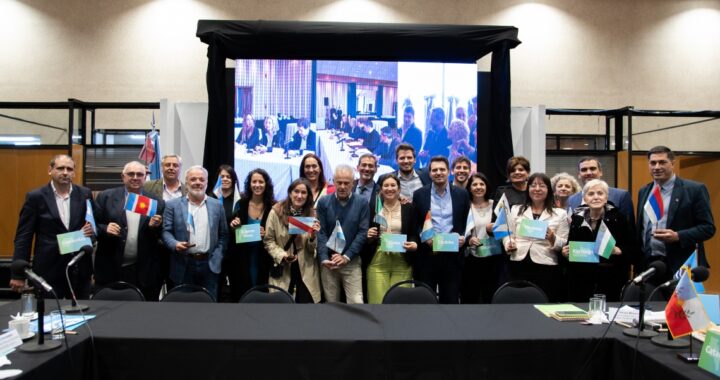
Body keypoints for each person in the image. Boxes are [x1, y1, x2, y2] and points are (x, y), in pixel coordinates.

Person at [11, 155, 95, 299]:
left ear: (74, 173)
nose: (65, 172)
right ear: (50, 170)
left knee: (82, 314)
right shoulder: (36, 197)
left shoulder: (85, 194)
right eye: (60, 168)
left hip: (79, 268)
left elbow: (92, 229)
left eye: (69, 169)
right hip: (48, 268)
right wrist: (18, 274)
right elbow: (23, 237)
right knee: (48, 316)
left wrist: (91, 232)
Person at [636, 146, 715, 285]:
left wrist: (678, 236)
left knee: (678, 307)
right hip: (650, 266)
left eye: (662, 162)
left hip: (681, 265)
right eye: (653, 163)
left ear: (672, 163)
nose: (657, 167)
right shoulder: (644, 191)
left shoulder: (694, 190)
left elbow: (708, 228)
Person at [95, 161, 165, 301]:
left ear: (145, 178)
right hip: (111, 267)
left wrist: (154, 227)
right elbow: (93, 226)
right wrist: (105, 229)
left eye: (140, 174)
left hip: (143, 270)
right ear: (123, 177)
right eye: (131, 174)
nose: (135, 177)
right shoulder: (106, 197)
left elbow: (161, 235)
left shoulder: (156, 202)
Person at [562, 179, 636, 302]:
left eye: (600, 193)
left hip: (611, 279)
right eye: (591, 194)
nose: (596, 197)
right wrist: (566, 253)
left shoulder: (619, 218)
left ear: (606, 197)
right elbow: (572, 248)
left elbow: (633, 249)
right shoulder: (576, 219)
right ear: (584, 198)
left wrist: (619, 251)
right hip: (582, 280)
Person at [162, 165, 228, 298]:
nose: (198, 182)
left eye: (201, 179)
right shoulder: (172, 205)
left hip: (210, 265)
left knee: (209, 307)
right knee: (182, 308)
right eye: (193, 179)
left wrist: (218, 256)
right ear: (186, 183)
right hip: (183, 264)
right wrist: (174, 244)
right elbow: (166, 231)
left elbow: (223, 235)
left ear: (207, 182)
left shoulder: (217, 206)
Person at [412, 156, 470, 304]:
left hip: (452, 257)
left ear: (449, 172)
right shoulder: (419, 194)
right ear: (430, 173)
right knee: (426, 300)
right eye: (435, 170)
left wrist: (464, 236)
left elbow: (466, 222)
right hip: (427, 255)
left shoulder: (462, 194)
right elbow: (416, 223)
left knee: (450, 300)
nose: (438, 173)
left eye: (442, 169)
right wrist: (425, 236)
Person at [502, 173, 569, 301]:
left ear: (548, 190)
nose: (537, 189)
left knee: (543, 302)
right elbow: (508, 233)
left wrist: (552, 237)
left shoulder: (560, 214)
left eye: (542, 186)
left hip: (545, 264)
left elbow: (564, 243)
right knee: (516, 302)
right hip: (518, 262)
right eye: (533, 185)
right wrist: (508, 243)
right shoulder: (516, 209)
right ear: (528, 189)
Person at [316, 164, 370, 304]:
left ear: (353, 183)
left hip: (351, 262)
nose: (342, 186)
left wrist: (346, 256)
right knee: (332, 305)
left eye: (346, 183)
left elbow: (362, 232)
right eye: (339, 182)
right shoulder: (323, 202)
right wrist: (323, 258)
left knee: (357, 303)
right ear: (333, 181)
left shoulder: (362, 203)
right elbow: (320, 232)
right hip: (328, 262)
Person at [263, 178, 322, 303]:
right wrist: (282, 255)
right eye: (296, 191)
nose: (299, 196)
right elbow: (268, 241)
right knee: (282, 309)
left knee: (305, 311)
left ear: (308, 196)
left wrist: (312, 236)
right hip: (284, 267)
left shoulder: (312, 214)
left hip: (305, 270)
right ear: (290, 193)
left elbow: (312, 249)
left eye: (303, 192)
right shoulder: (276, 212)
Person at [364, 174, 418, 303]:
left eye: (393, 185)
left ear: (399, 189)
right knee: (377, 303)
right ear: (381, 189)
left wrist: (414, 244)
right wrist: (368, 235)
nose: (390, 188)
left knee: (400, 303)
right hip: (378, 260)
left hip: (402, 261)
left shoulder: (408, 208)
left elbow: (414, 233)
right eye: (386, 185)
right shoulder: (373, 207)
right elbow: (364, 231)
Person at [228, 169, 275, 301]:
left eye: (261, 181)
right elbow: (232, 232)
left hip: (264, 259)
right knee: (242, 295)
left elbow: (277, 234)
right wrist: (233, 226)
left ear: (266, 184)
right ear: (249, 184)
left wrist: (267, 234)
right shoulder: (240, 204)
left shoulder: (273, 207)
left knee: (262, 297)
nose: (257, 185)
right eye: (254, 181)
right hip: (242, 259)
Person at [143, 154, 186, 292]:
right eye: (168, 165)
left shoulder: (188, 191)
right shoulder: (148, 187)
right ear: (162, 167)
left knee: (176, 290)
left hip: (177, 248)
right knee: (152, 289)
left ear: (180, 168)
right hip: (153, 247)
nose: (171, 168)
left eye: (175, 165)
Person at [461, 173, 502, 304]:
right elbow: (460, 228)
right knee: (470, 296)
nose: (478, 187)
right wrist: (469, 240)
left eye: (481, 184)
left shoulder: (496, 205)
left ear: (487, 186)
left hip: (493, 257)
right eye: (474, 184)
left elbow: (504, 228)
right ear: (469, 187)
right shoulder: (465, 206)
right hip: (471, 258)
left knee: (490, 296)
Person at [567, 156, 635, 225]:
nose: (588, 172)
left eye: (592, 169)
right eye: (584, 170)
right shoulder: (572, 200)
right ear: (579, 175)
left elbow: (629, 229)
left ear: (600, 172)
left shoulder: (621, 196)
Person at [211, 165, 241, 302]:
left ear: (234, 180)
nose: (225, 179)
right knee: (216, 285)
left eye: (228, 176)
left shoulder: (241, 201)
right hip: (216, 249)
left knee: (236, 286)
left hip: (235, 250)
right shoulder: (211, 198)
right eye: (221, 176)